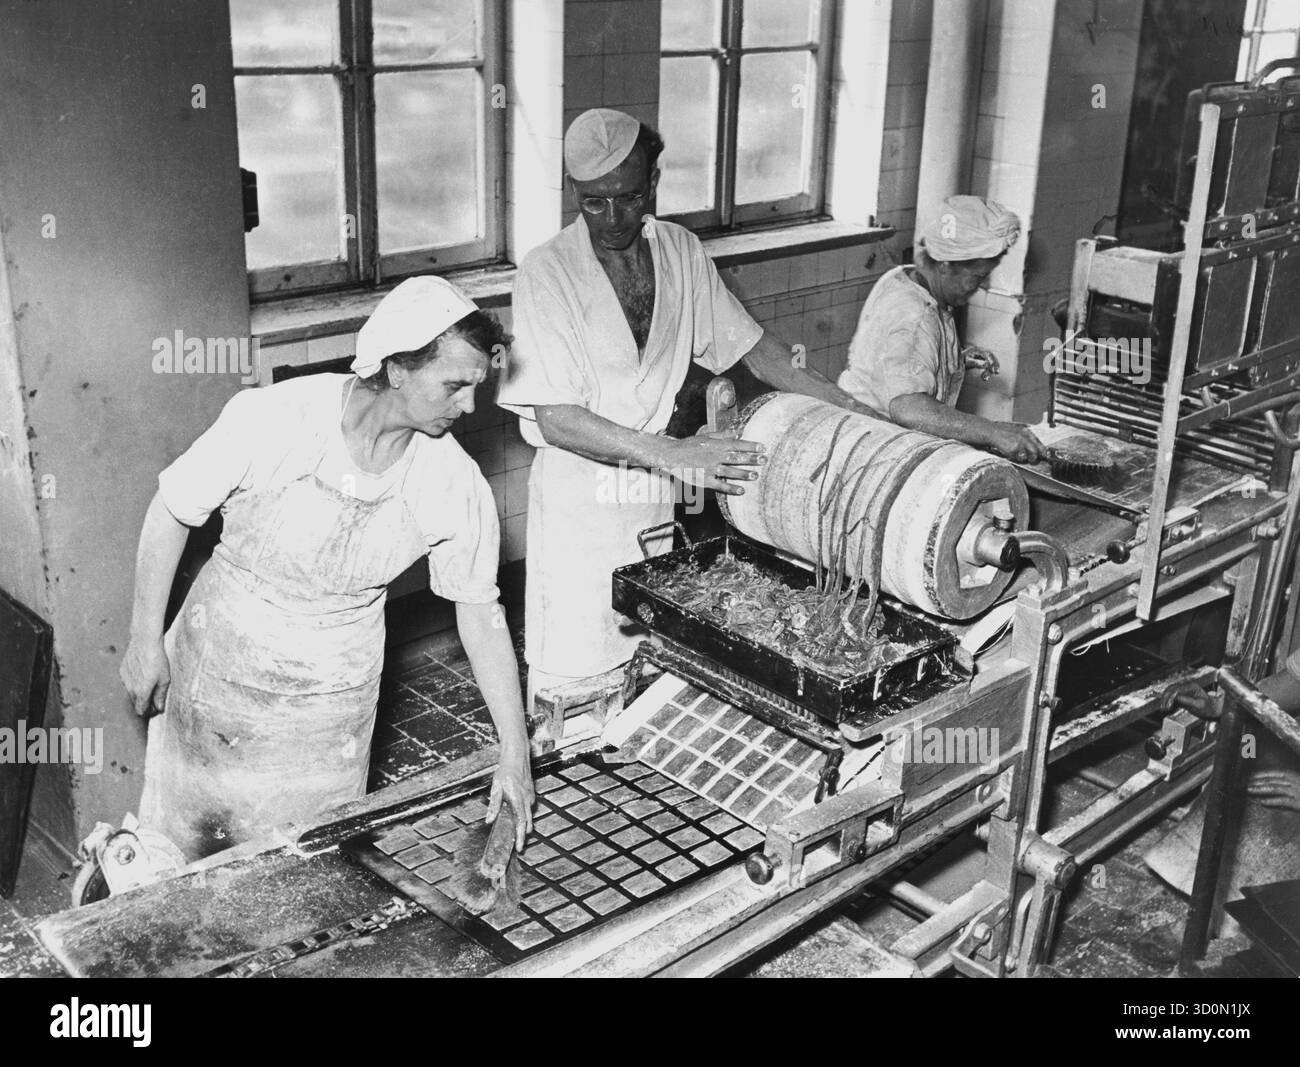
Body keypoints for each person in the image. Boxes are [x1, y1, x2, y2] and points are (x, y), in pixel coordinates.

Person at [120, 277, 534, 861]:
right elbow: (171, 510)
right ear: (397, 369)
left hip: (331, 704)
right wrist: (144, 641)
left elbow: (480, 612)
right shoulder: (280, 416)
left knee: (307, 868)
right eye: (455, 386)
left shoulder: (451, 480)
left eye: (476, 387)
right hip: (220, 676)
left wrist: (514, 749)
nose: (469, 406)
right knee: (188, 858)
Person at [496, 108, 866, 701]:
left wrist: (847, 407)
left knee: (648, 672)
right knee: (577, 692)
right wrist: (673, 455)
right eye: (594, 202)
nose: (613, 218)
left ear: (654, 181)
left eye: (629, 197)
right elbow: (555, 417)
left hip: (652, 502)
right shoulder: (548, 271)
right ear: (572, 192)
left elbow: (757, 350)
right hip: (579, 508)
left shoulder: (680, 252)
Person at [837, 195, 1045, 464]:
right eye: (977, 277)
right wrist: (992, 432)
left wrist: (950, 359)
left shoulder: (906, 278)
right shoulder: (914, 314)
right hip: (872, 453)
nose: (980, 286)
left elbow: (895, 362)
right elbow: (909, 409)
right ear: (946, 265)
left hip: (873, 439)